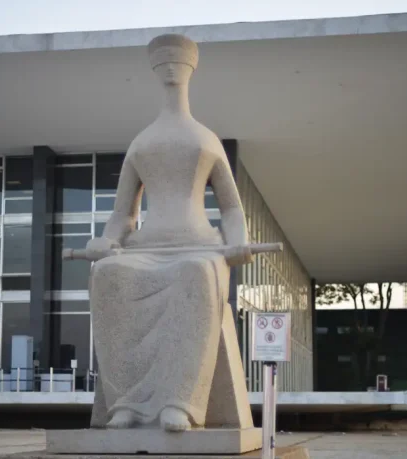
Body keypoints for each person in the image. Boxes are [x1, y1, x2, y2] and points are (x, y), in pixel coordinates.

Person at [85, 34, 253, 432]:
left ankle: (179, 402)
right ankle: (125, 403)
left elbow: (230, 206)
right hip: (149, 246)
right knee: (108, 275)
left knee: (194, 273)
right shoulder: (141, 143)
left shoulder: (205, 138)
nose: (171, 69)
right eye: (162, 63)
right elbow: (123, 215)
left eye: (178, 62)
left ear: (191, 69)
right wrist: (106, 242)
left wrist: (238, 240)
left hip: (200, 248)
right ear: (154, 71)